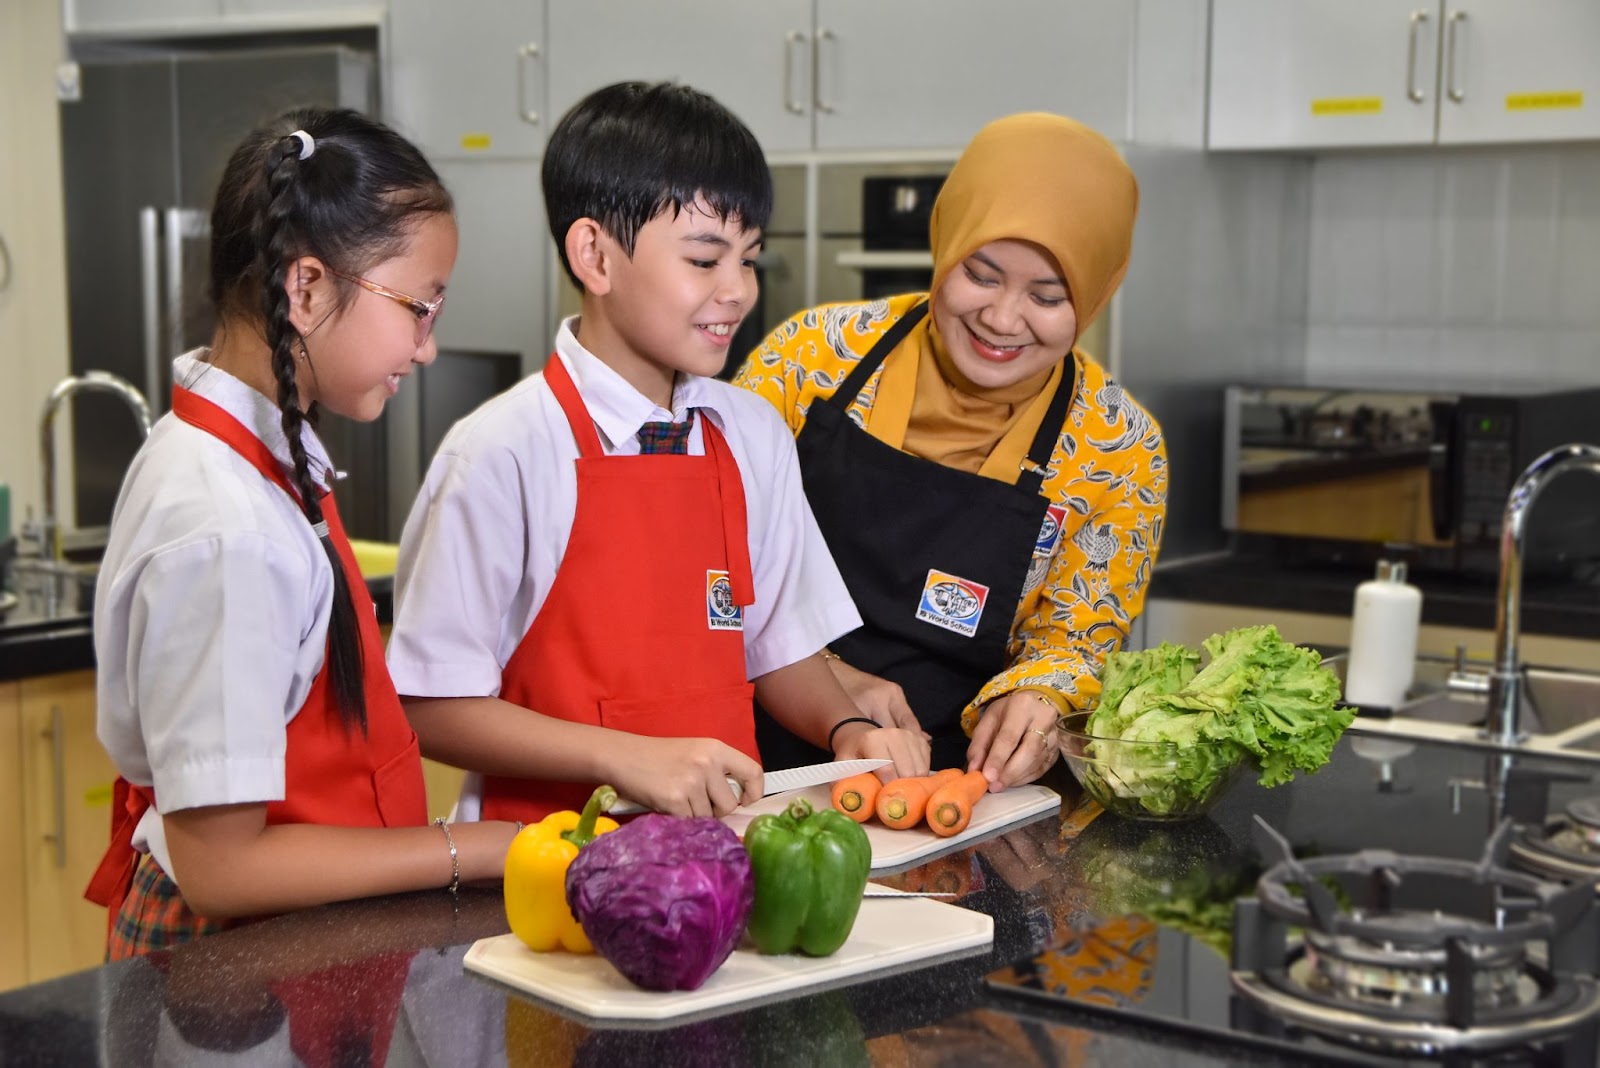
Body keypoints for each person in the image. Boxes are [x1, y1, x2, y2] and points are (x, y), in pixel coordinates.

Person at [387, 81, 930, 824]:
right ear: (595, 256)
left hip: (725, 857)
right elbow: (429, 705)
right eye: (705, 260)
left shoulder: (752, 434)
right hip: (539, 874)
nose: (737, 290)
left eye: (750, 259)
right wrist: (624, 757)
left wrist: (850, 729)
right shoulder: (502, 452)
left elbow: (777, 648)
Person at [85, 108, 519, 959]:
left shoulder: (255, 460)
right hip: (226, 973)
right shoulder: (223, 526)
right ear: (308, 288)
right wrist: (475, 847)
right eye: (418, 308)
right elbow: (222, 867)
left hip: (291, 950)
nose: (427, 348)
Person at [736, 112, 1165, 791]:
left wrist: (1043, 700)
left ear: (1095, 296)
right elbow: (702, 548)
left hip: (948, 792)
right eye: (982, 274)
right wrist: (826, 677)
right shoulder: (813, 359)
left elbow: (1075, 642)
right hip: (741, 763)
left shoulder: (1118, 449)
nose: (1001, 318)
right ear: (945, 244)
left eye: (1048, 296)